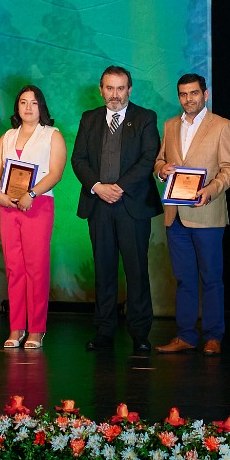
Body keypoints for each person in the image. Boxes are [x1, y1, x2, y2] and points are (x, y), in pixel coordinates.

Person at [70, 64, 162, 354]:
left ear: (129, 89)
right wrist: (98, 186)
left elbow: (149, 159)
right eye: (109, 88)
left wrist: (118, 187)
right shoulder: (89, 119)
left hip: (132, 206)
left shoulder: (145, 118)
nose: (115, 94)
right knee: (104, 271)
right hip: (99, 206)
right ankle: (104, 331)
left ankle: (139, 333)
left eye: (120, 88)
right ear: (101, 90)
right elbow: (79, 159)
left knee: (136, 271)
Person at [154, 73, 230, 355]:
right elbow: (160, 160)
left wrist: (211, 190)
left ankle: (213, 336)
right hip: (175, 214)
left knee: (211, 277)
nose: (188, 99)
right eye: (183, 94)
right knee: (184, 278)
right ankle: (186, 335)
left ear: (206, 94)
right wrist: (160, 169)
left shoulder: (223, 126)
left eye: (193, 93)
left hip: (207, 212)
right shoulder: (168, 125)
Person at [0, 85, 67, 349]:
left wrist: (32, 193)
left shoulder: (52, 135)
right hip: (8, 205)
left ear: (41, 107)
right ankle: (16, 327)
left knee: (36, 268)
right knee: (14, 268)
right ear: (17, 107)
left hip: (37, 204)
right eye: (23, 102)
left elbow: (55, 173)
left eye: (34, 103)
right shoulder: (7, 137)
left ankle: (36, 330)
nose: (28, 107)